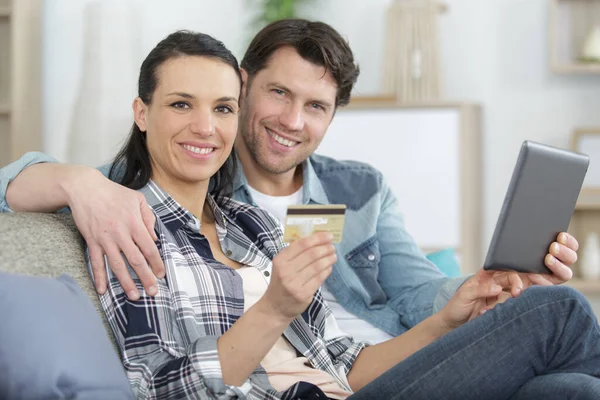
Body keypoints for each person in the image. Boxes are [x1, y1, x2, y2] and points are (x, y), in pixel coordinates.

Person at [75, 29, 600, 399]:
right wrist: (73, 182)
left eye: (220, 108)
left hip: (367, 375)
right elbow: (160, 386)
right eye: (278, 93)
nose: (206, 128)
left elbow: (359, 349)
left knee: (568, 389)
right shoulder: (129, 214)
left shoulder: (254, 224)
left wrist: (461, 305)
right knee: (561, 310)